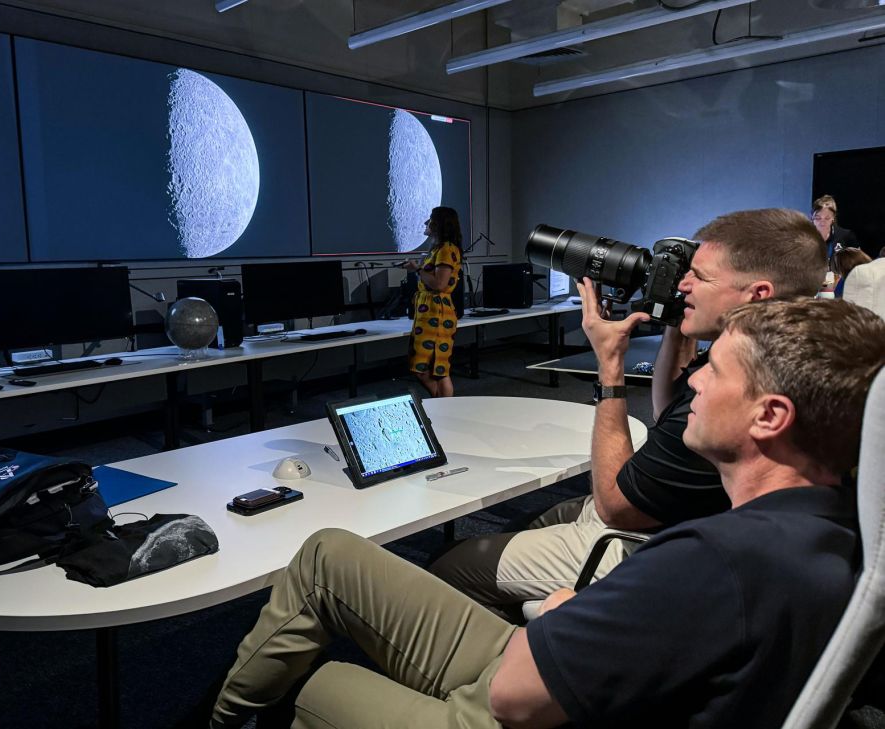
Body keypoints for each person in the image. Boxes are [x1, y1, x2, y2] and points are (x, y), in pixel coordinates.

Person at [210, 298, 885, 729]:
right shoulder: (838, 526)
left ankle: (232, 716)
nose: (695, 380)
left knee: (317, 681)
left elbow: (512, 699)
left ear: (769, 416)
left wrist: (563, 616)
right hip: (575, 671)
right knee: (330, 551)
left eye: (716, 370)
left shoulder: (715, 559)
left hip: (522, 702)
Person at [429, 209, 826, 614]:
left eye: (699, 278)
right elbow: (668, 411)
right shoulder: (768, 354)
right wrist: (675, 318)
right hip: (663, 516)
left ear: (757, 295)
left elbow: (615, 508)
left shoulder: (738, 394)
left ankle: (506, 655)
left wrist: (610, 366)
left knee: (445, 567)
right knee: (532, 521)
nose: (684, 284)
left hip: (643, 543)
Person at [401, 207, 463, 398]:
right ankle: (442, 405)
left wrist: (417, 269)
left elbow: (439, 283)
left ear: (439, 224)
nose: (425, 223)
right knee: (429, 366)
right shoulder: (438, 249)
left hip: (437, 314)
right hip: (429, 312)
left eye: (430, 220)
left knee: (436, 367)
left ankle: (443, 405)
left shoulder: (446, 249)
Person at [812, 194, 860, 262]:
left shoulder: (846, 236)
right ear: (812, 218)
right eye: (818, 218)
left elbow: (859, 262)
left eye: (827, 218)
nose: (822, 222)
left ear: (833, 218)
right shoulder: (804, 238)